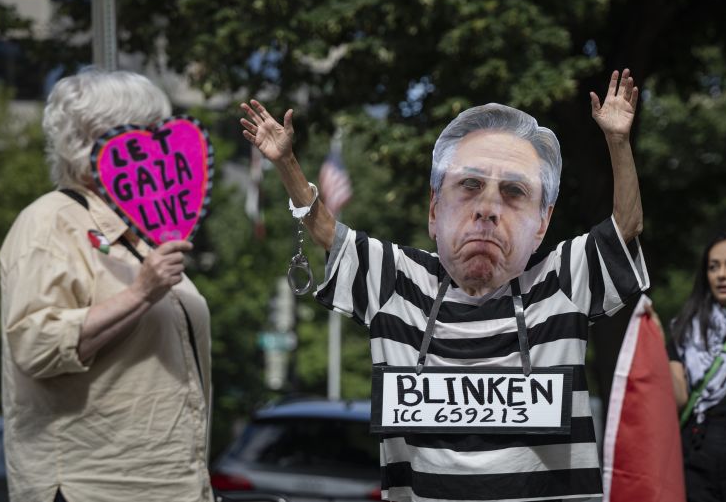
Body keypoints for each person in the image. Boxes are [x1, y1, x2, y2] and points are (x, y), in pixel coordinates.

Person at [240, 69, 649, 502]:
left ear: (542, 223)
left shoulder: (564, 279)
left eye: (513, 192)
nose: (488, 209)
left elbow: (626, 227)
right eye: (469, 185)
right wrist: (285, 162)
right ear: (434, 211)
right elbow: (326, 230)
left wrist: (618, 142)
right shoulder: (395, 282)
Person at [0, 69, 214, 502]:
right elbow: (35, 344)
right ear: (96, 139)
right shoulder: (50, 221)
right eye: (149, 132)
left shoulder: (143, 233)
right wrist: (139, 294)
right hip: (94, 488)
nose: (162, 147)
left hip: (175, 486)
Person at [659, 231, 726, 502]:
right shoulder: (686, 329)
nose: (721, 275)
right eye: (713, 267)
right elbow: (678, 399)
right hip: (697, 450)